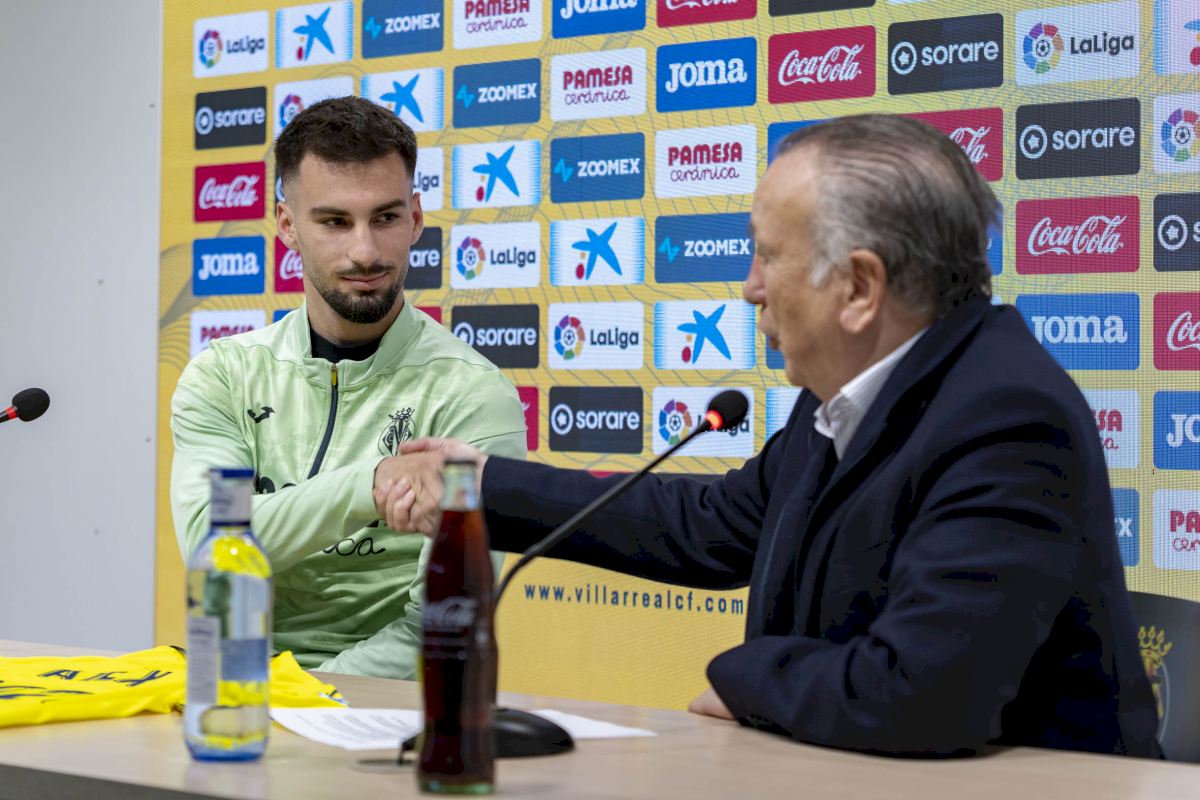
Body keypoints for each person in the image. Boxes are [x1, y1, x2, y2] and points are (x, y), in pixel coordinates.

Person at [380, 115, 1161, 757]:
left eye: (766, 253)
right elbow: (710, 525)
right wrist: (480, 485)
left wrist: (745, 672)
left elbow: (919, 695)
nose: (750, 285)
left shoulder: (1006, 416)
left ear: (859, 287)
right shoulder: (850, 394)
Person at [170, 97, 527, 679]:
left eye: (385, 218)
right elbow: (212, 554)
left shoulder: (474, 394)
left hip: (381, 707)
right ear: (288, 225)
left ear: (415, 219)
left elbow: (441, 621)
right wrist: (372, 482)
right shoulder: (224, 374)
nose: (365, 252)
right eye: (335, 222)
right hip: (236, 691)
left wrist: (307, 701)